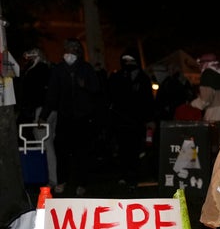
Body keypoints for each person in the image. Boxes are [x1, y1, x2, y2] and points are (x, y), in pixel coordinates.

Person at [38, 38, 100, 196]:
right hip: (65, 117)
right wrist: (43, 116)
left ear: (78, 51)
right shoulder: (59, 69)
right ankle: (62, 180)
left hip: (83, 117)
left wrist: (84, 85)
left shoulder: (86, 68)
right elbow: (52, 94)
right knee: (62, 150)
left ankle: (82, 182)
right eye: (67, 48)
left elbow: (97, 90)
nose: (70, 51)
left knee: (82, 151)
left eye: (73, 48)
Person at [106, 49, 155, 190]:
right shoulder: (117, 77)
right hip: (121, 120)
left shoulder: (143, 79)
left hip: (137, 121)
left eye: (131, 61)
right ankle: (123, 175)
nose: (128, 64)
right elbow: (111, 97)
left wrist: (149, 119)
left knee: (136, 149)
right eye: (125, 61)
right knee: (122, 149)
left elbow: (148, 100)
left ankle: (134, 175)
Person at [17, 48, 58, 188]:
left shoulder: (40, 70)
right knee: (45, 144)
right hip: (46, 110)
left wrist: (42, 115)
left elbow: (40, 93)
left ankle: (51, 179)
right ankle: (45, 176)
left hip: (42, 111)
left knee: (45, 145)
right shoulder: (42, 69)